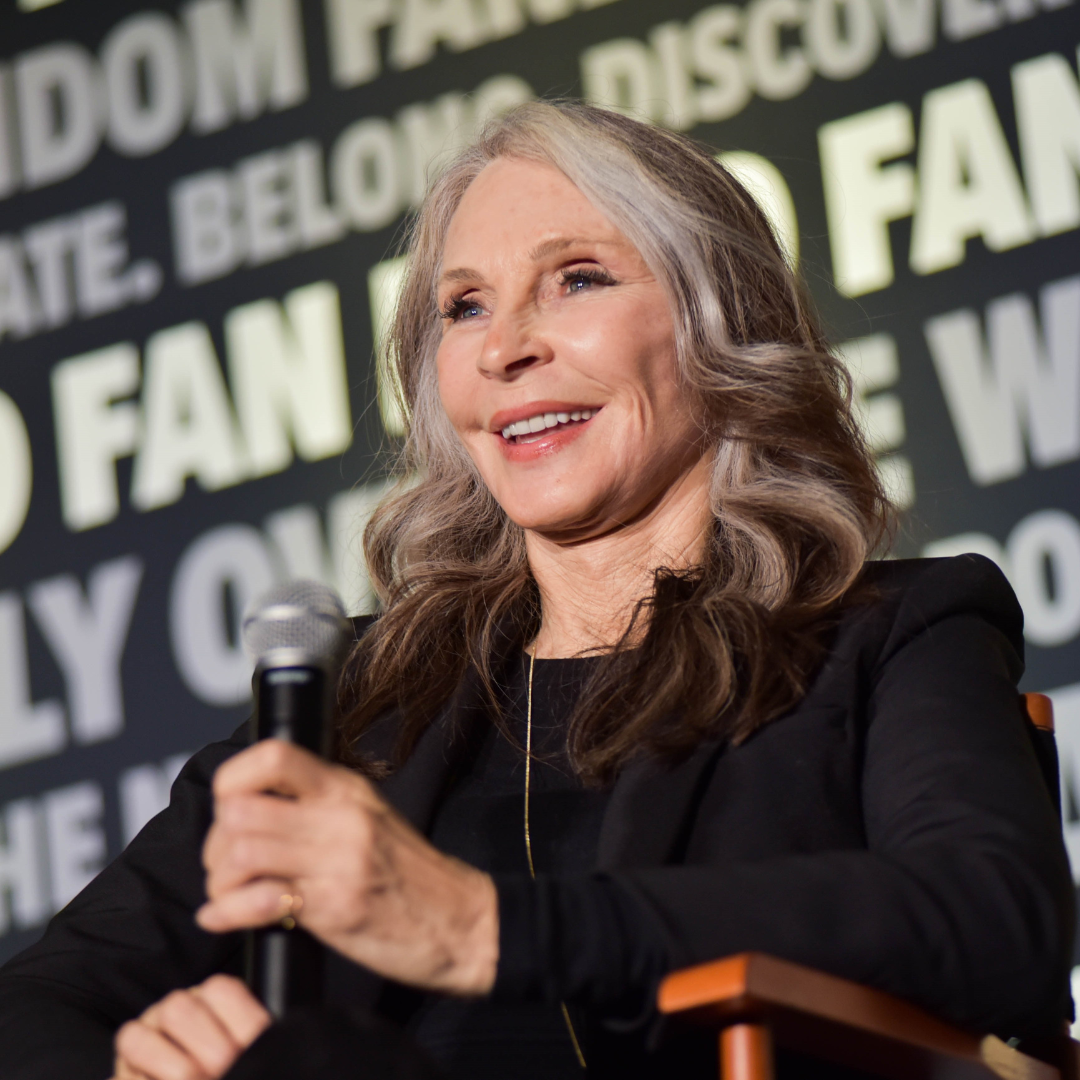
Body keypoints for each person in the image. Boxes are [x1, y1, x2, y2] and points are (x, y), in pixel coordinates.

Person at [0, 100, 1072, 1080]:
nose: (507, 346)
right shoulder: (358, 705)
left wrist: (481, 928)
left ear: (719, 321)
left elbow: (996, 921)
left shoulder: (890, 633)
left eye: (579, 279)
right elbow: (35, 1006)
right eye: (464, 307)